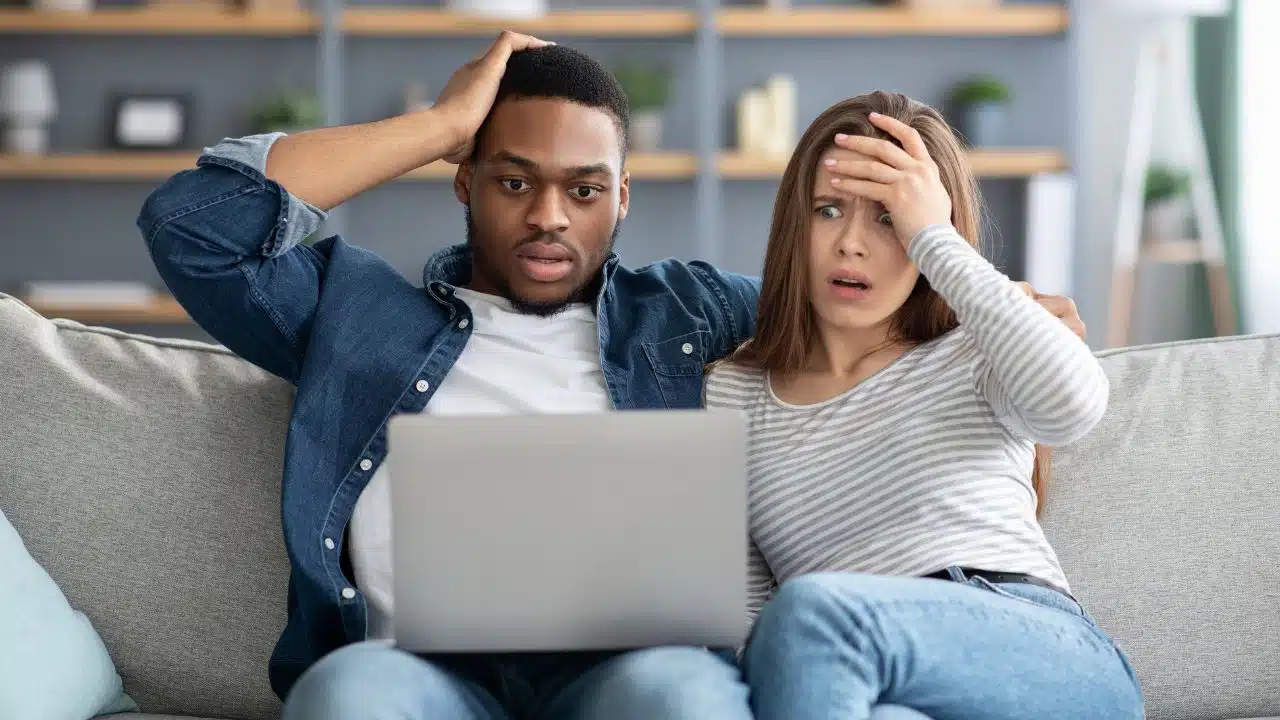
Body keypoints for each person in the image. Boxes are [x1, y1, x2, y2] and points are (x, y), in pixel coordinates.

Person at [137, 27, 1088, 718]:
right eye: (514, 182)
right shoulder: (354, 309)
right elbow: (194, 227)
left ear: (622, 199)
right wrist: (439, 122)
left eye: (585, 190)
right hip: (414, 669)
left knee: (682, 693)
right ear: (466, 181)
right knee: (348, 698)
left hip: (628, 673)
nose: (551, 215)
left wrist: (994, 307)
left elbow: (850, 293)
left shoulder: (690, 315)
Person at [702, 91, 1144, 720]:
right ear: (793, 225)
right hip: (865, 682)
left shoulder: (976, 349)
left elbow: (1074, 407)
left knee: (812, 610)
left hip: (1041, 654)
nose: (852, 244)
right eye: (828, 210)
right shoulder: (731, 392)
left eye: (888, 218)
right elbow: (745, 619)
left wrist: (935, 237)